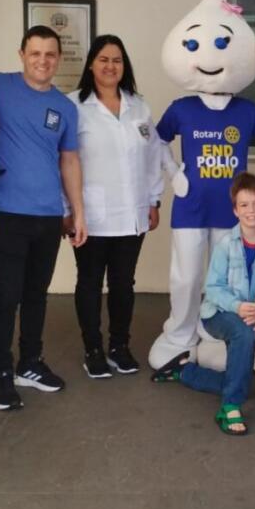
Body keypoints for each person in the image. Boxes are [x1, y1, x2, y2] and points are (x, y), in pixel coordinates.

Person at [148, 0, 255, 371]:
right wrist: (173, 174)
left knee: (224, 279)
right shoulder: (182, 108)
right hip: (190, 206)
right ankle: (180, 332)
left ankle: (214, 333)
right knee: (185, 277)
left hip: (232, 212)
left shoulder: (248, 111)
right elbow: (156, 141)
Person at [0, 25, 87, 411]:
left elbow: (69, 161)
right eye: (35, 53)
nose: (42, 60)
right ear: (22, 55)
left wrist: (77, 213)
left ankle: (29, 362)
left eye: (50, 54)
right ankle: (1, 373)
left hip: (49, 216)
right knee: (5, 296)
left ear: (58, 59)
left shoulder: (65, 107)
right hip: (8, 213)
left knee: (35, 296)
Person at [150, 173, 255, 436]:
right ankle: (229, 407)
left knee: (238, 377)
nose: (251, 211)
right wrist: (238, 306)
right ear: (235, 210)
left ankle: (185, 372)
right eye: (244, 205)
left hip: (251, 315)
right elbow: (213, 288)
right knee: (243, 334)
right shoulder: (226, 244)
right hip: (218, 313)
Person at [68, 35, 163, 379]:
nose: (111, 66)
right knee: (90, 282)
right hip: (90, 215)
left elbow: (152, 156)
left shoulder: (139, 106)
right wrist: (68, 209)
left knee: (124, 284)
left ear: (125, 66)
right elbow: (63, 160)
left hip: (133, 212)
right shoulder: (73, 106)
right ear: (91, 64)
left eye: (117, 60)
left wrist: (154, 199)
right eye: (104, 59)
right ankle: (93, 349)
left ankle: (119, 346)